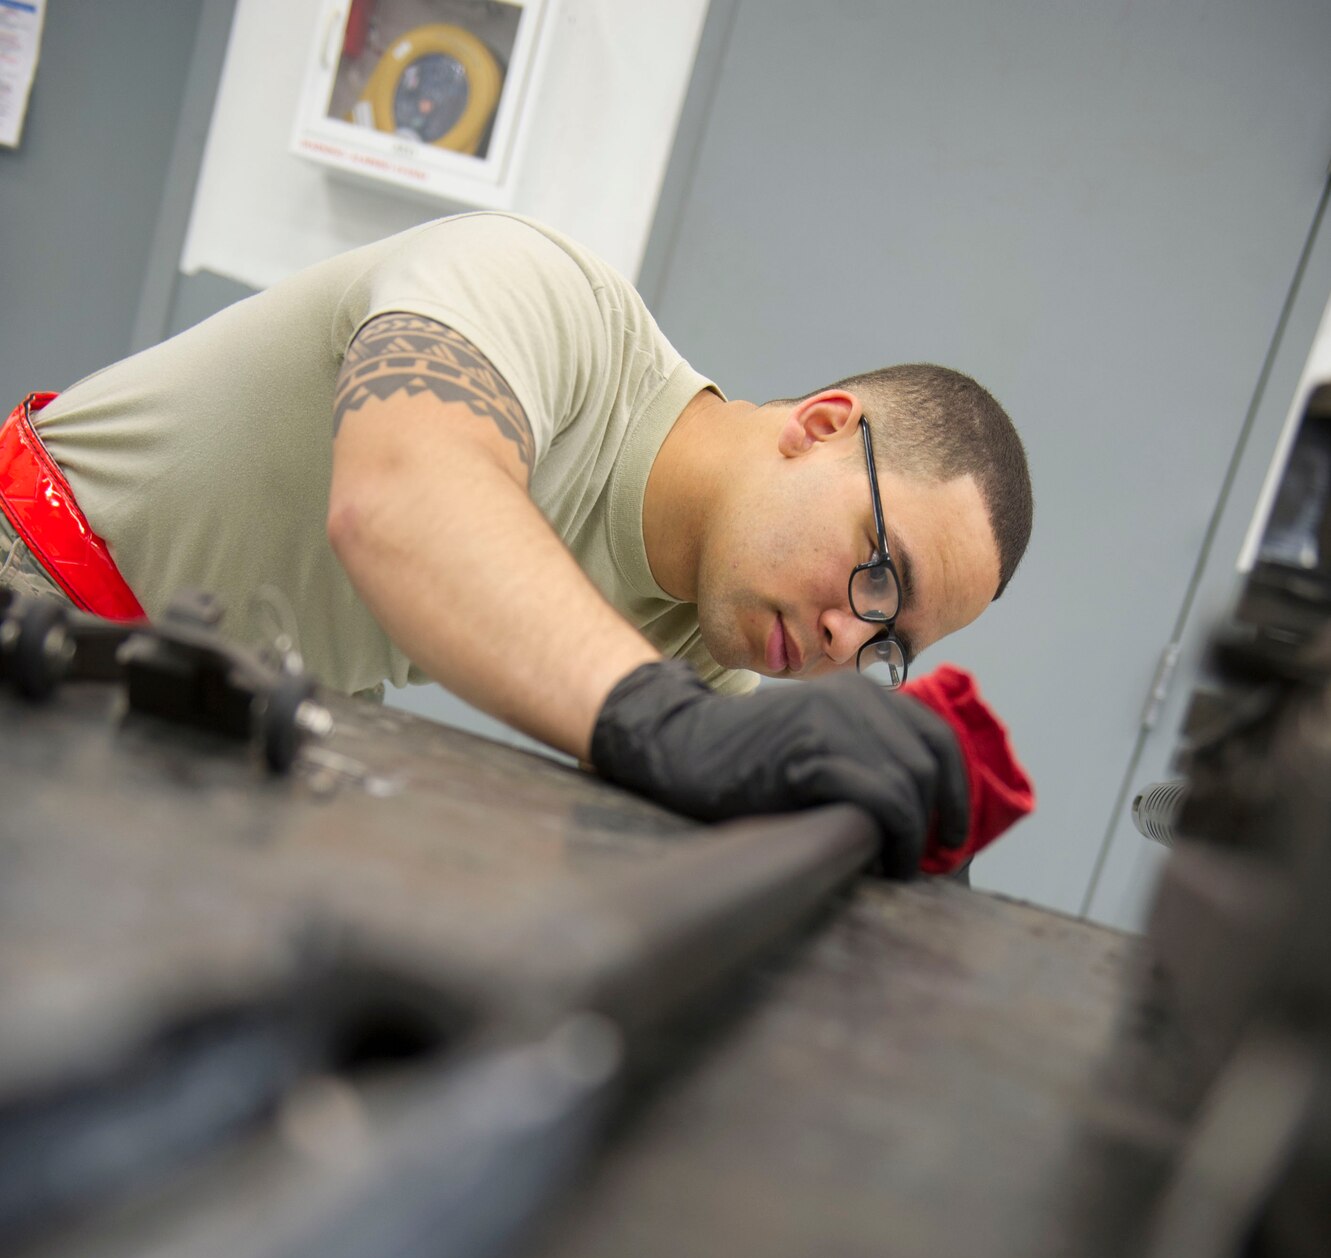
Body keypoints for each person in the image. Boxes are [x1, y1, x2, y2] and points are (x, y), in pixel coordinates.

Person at [0, 211, 1033, 875]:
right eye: (878, 570)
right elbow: (400, 498)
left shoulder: (698, 650)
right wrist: (656, 724)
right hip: (29, 585)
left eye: (885, 644)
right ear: (818, 426)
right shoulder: (540, 295)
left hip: (187, 702)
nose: (841, 640)